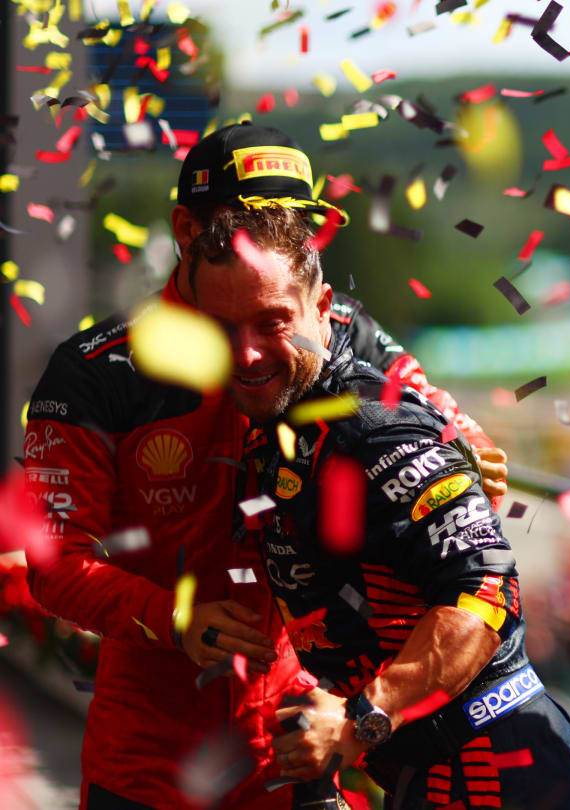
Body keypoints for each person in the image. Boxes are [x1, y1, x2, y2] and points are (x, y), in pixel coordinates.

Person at [22, 122, 509, 809]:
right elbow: (51, 563)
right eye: (253, 224)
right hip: (145, 763)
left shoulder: (337, 331)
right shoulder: (96, 372)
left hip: (297, 748)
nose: (279, 244)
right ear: (187, 229)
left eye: (296, 226)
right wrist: (173, 618)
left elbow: (467, 448)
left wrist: (465, 459)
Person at [184, 201, 570, 809]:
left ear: (322, 310)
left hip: (495, 767)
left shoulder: (373, 427)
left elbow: (485, 592)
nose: (246, 355)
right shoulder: (285, 420)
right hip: (425, 769)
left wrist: (359, 722)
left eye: (271, 323)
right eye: (224, 328)